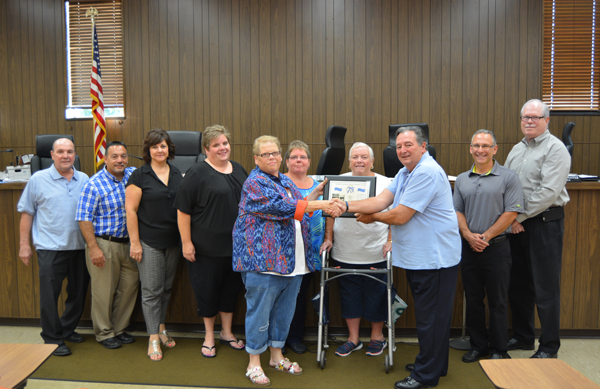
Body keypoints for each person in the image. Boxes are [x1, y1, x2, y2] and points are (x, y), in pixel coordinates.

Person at [332, 126, 461, 389]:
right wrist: (345, 205)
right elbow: (380, 201)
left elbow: (399, 215)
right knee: (432, 317)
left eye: (408, 145)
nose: (402, 150)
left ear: (423, 146)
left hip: (434, 260)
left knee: (430, 319)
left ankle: (426, 376)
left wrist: (372, 218)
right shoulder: (405, 172)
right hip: (420, 258)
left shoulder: (426, 172)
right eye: (399, 146)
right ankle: (435, 364)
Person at [232, 135, 341, 386]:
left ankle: (276, 356)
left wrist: (314, 195)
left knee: (284, 311)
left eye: (275, 153)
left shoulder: (283, 180)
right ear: (256, 158)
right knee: (259, 313)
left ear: (281, 156)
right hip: (264, 261)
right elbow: (282, 208)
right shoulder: (255, 182)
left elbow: (297, 205)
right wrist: (323, 203)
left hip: (292, 261)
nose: (271, 157)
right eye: (265, 154)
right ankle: (254, 363)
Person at [174, 125, 248, 358]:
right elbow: (183, 211)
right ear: (206, 149)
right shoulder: (197, 173)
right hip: (205, 249)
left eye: (224, 143)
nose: (222, 148)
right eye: (216, 145)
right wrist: (186, 243)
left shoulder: (239, 169)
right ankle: (208, 336)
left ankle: (226, 332)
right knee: (207, 293)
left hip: (236, 248)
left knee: (230, 292)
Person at [504, 99, 571, 358]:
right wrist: (512, 219)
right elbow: (507, 184)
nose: (529, 121)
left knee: (545, 288)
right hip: (517, 224)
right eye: (525, 117)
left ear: (546, 121)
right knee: (518, 285)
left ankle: (549, 347)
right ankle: (523, 337)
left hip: (543, 224)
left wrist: (515, 218)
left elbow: (547, 192)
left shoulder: (556, 149)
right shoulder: (516, 149)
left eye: (535, 117)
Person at [453, 129, 524, 362]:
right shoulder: (462, 179)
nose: (480, 150)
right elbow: (457, 211)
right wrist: (467, 235)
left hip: (497, 248)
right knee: (472, 299)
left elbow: (511, 212)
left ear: (494, 149)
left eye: (486, 146)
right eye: (476, 146)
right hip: (469, 248)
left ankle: (499, 349)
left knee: (498, 300)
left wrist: (485, 237)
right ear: (470, 148)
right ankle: (478, 346)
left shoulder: (509, 177)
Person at [17, 138, 90, 357]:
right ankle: (52, 338)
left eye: (69, 151)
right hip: (50, 247)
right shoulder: (38, 179)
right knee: (50, 296)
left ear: (75, 154)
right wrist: (24, 246)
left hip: (79, 247)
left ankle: (66, 329)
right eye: (60, 151)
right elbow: (27, 213)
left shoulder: (84, 178)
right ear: (52, 154)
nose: (65, 155)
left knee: (78, 294)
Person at [320, 142, 393, 358]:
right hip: (345, 251)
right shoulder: (337, 182)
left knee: (376, 297)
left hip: (375, 251)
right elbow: (330, 213)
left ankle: (377, 337)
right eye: (355, 157)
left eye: (363, 157)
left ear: (372, 161)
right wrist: (328, 238)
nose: (359, 161)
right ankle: (353, 339)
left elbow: (393, 215)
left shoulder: (386, 183)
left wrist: (391, 240)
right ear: (349, 160)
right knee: (349, 297)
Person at [125, 129, 182, 361]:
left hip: (173, 242)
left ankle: (160, 327)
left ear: (169, 149)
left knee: (166, 288)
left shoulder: (178, 173)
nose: (160, 150)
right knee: (151, 291)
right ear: (148, 151)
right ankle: (152, 338)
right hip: (148, 242)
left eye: (164, 146)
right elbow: (131, 210)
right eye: (155, 146)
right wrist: (135, 243)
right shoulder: (139, 175)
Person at [76, 141, 139, 350]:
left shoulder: (133, 175)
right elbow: (84, 218)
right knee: (103, 291)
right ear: (105, 159)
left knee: (128, 288)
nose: (119, 160)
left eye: (123, 156)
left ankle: (119, 329)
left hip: (129, 244)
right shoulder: (94, 184)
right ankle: (104, 333)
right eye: (114, 156)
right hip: (104, 243)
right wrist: (93, 248)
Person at [283, 140, 325, 355]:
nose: (298, 160)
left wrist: (328, 238)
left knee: (300, 296)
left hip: (311, 252)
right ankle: (278, 337)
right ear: (287, 161)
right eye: (293, 157)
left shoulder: (319, 184)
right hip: (285, 251)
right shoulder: (279, 183)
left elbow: (328, 214)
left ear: (309, 162)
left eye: (303, 157)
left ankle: (295, 336)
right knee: (281, 296)